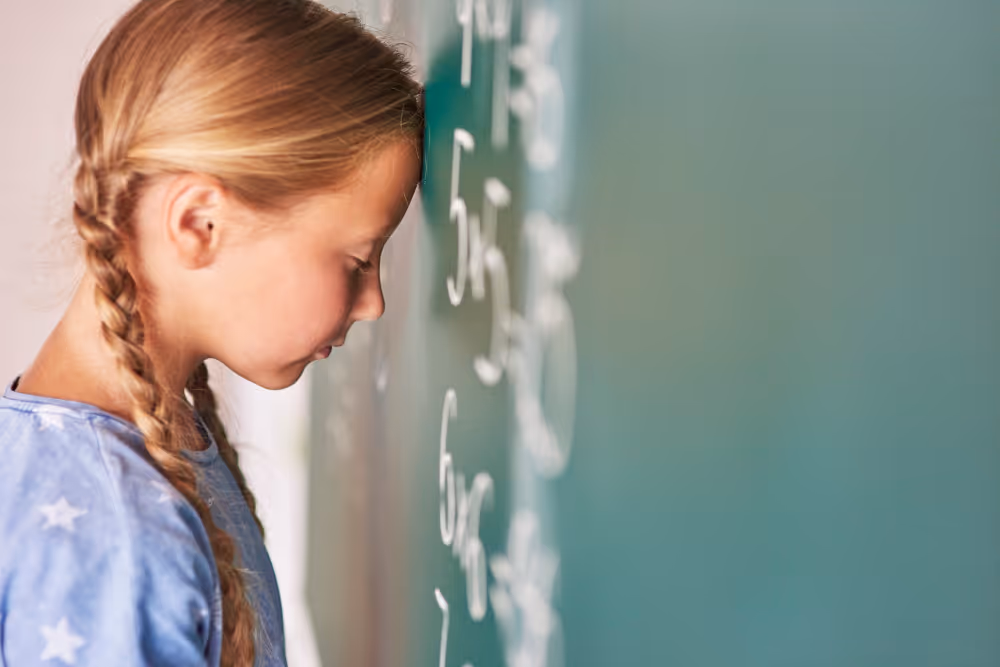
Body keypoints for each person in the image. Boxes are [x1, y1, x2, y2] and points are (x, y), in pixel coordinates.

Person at [0, 0, 424, 664]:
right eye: (358, 260)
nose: (373, 302)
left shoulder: (85, 451)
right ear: (200, 224)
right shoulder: (118, 537)